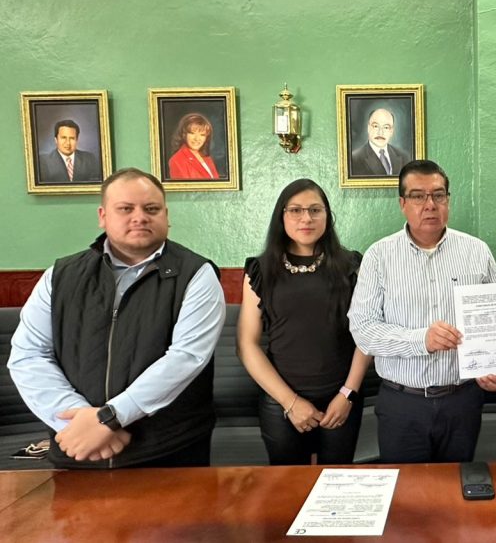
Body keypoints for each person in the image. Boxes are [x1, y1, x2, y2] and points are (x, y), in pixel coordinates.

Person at [7, 168, 226, 468]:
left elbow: (186, 357)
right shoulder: (60, 276)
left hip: (167, 451)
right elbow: (29, 355)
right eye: (125, 209)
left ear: (166, 215)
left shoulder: (197, 274)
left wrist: (110, 418)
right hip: (77, 449)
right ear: (103, 216)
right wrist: (81, 424)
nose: (140, 217)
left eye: (152, 209)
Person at [348, 160, 496, 463]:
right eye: (418, 196)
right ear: (402, 204)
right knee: (406, 488)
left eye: (438, 195)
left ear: (448, 200)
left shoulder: (477, 252)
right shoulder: (379, 256)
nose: (430, 205)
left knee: (456, 485)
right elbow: (363, 329)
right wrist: (422, 340)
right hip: (401, 402)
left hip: (462, 400)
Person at [237, 179, 370, 465]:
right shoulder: (260, 270)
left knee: (338, 482)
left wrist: (347, 394)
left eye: (315, 210)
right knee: (287, 485)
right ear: (281, 216)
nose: (306, 218)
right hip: (280, 402)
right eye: (296, 210)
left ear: (327, 216)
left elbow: (367, 335)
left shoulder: (352, 266)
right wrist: (291, 402)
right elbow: (247, 345)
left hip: (342, 399)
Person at [350, 108, 413, 177]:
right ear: (368, 128)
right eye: (376, 126)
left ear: (391, 131)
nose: (380, 132)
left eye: (386, 127)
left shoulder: (404, 157)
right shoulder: (354, 159)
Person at [167, 113, 221, 180]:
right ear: (184, 134)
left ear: (206, 138)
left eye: (202, 135)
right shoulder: (177, 160)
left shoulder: (207, 157)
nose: (197, 138)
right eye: (192, 133)